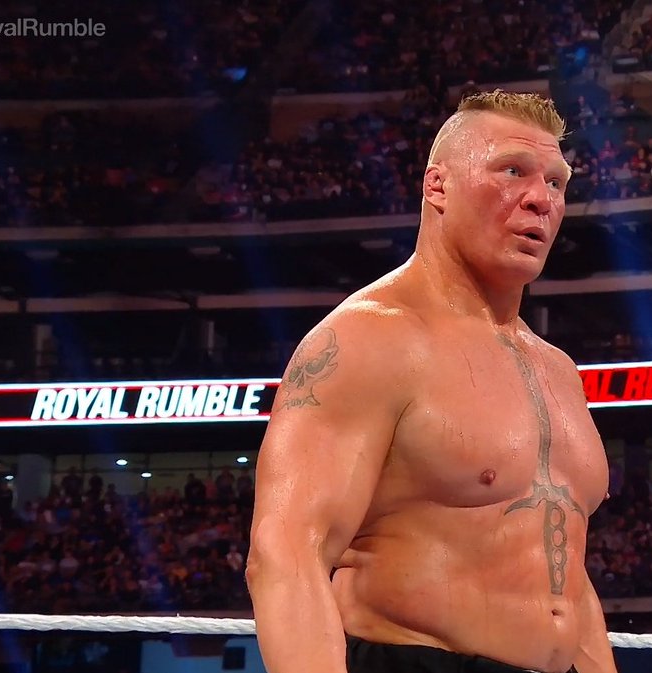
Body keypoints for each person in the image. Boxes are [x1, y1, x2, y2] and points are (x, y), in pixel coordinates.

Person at [246, 90, 618, 673]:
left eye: (556, 182)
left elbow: (568, 579)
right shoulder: (368, 339)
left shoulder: (559, 371)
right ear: (438, 186)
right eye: (512, 171)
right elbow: (288, 550)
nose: (540, 199)